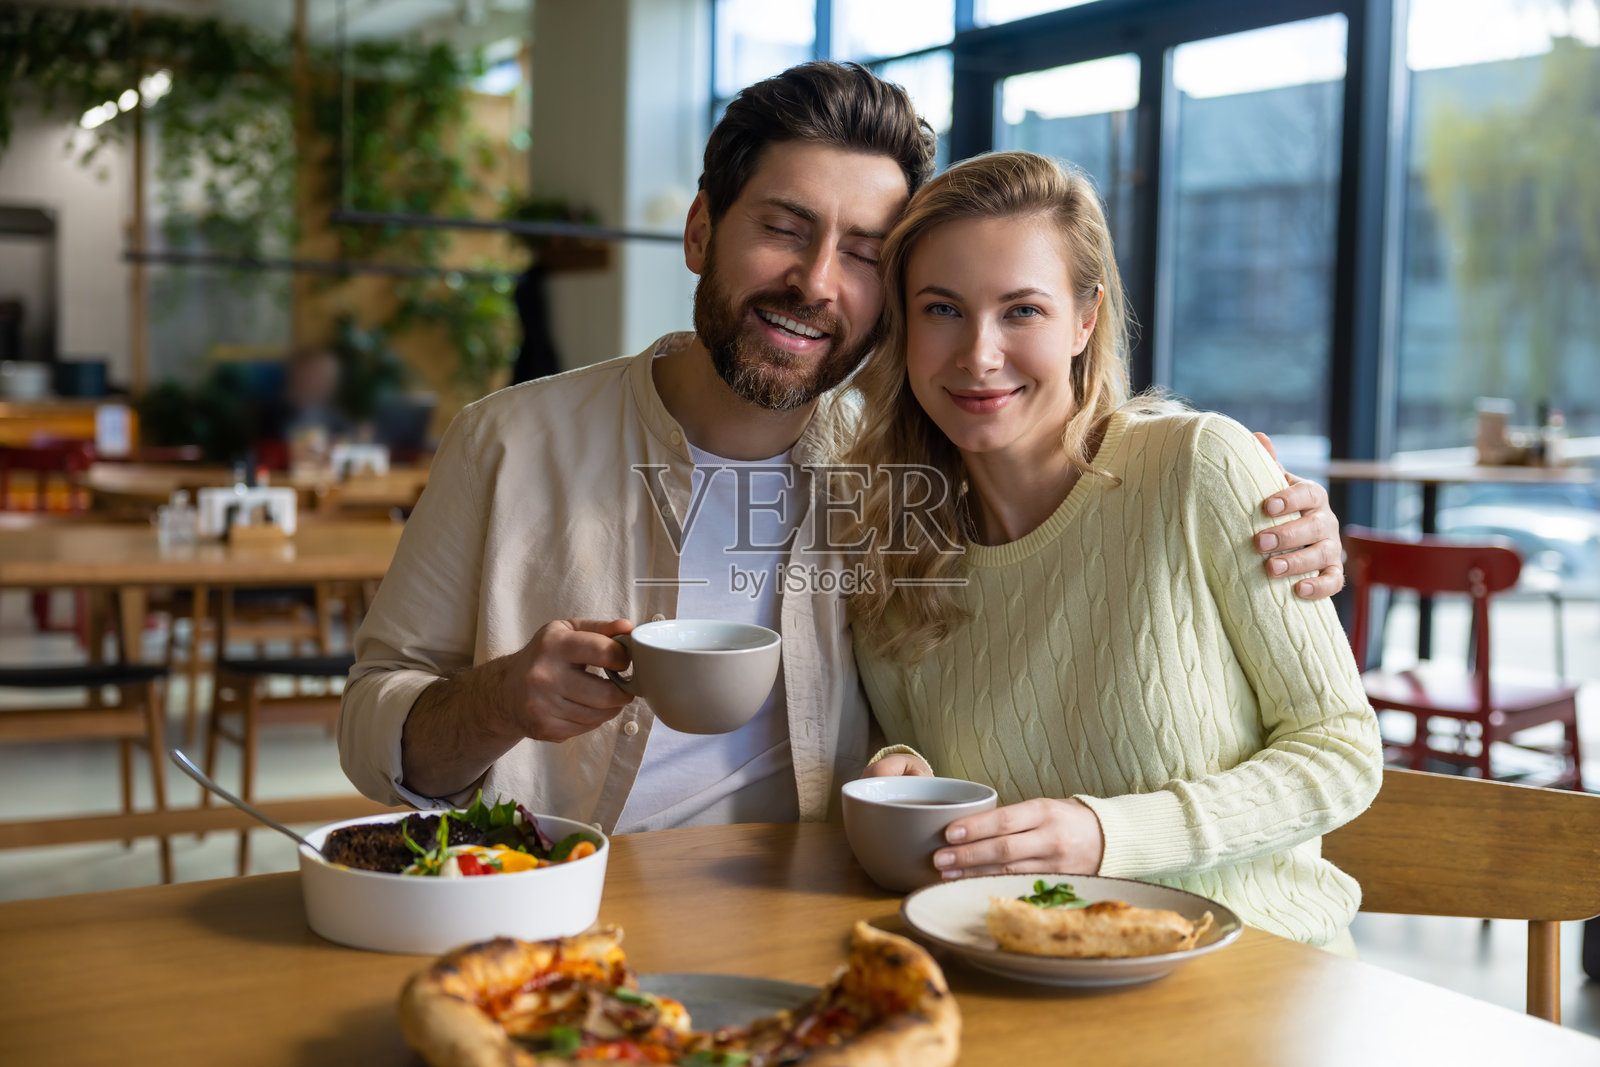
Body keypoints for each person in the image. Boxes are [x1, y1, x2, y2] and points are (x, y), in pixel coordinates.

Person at [338, 64, 1346, 836]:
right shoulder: (509, 440)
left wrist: (1265, 505)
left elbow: (1077, 501)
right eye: (783, 228)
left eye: (863, 253)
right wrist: (499, 697)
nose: (816, 281)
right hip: (547, 892)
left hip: (821, 914)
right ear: (700, 230)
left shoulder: (904, 467)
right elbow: (371, 730)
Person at [846, 152, 1381, 953]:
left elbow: (1341, 750)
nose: (979, 354)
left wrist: (1108, 834)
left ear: (1084, 319)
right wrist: (901, 769)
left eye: (1022, 310)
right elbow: (915, 740)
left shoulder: (1200, 466)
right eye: (943, 309)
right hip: (1036, 979)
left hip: (1261, 976)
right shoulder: (892, 541)